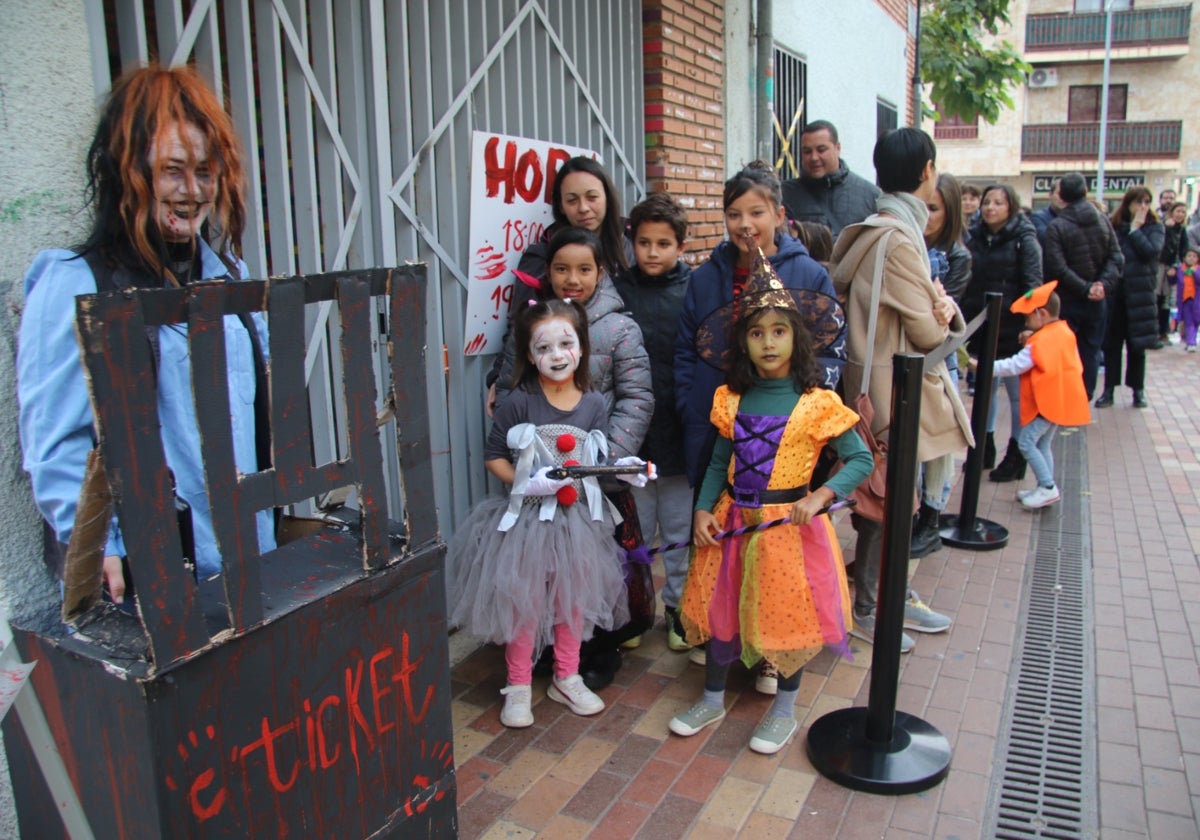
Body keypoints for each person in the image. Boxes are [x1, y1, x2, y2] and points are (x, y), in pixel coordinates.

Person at [18, 64, 273, 604]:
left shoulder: (231, 278)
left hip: (252, 554)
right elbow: (57, 444)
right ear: (127, 170)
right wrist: (96, 546)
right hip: (153, 577)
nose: (193, 191)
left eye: (205, 171)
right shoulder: (75, 285)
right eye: (172, 170)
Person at [666, 248, 872, 755]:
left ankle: (784, 707)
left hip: (789, 529)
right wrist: (700, 511)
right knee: (720, 607)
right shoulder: (731, 398)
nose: (768, 342)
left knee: (786, 614)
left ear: (797, 338)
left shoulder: (817, 402)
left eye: (779, 331)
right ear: (744, 344)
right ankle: (712, 698)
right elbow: (718, 463)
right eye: (757, 333)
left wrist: (822, 496)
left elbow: (861, 460)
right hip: (731, 520)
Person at [674, 161, 845, 693]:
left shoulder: (808, 273)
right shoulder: (705, 277)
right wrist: (690, 402)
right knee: (727, 542)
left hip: (785, 433)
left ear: (778, 214)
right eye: (733, 214)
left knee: (778, 557)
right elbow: (685, 350)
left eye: (756, 212)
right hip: (721, 422)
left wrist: (808, 405)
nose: (745, 223)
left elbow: (830, 348)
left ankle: (773, 650)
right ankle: (730, 634)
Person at [445, 298, 651, 728]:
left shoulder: (593, 402)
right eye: (543, 348)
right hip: (528, 523)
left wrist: (625, 470)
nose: (556, 356)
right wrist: (526, 483)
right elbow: (494, 456)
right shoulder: (519, 401)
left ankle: (567, 676)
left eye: (565, 344)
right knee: (526, 603)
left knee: (572, 602)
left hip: (577, 525)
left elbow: (593, 459)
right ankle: (517, 685)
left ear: (581, 347)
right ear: (528, 354)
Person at [492, 226, 653, 689]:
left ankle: (588, 659)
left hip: (596, 485)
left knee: (593, 579)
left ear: (600, 272)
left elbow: (636, 399)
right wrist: (524, 467)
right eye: (561, 268)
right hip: (538, 485)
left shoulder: (620, 327)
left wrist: (600, 466)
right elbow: (508, 390)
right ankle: (530, 669)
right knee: (535, 582)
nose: (572, 277)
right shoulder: (530, 323)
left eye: (584, 268)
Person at [830, 127, 971, 652]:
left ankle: (886, 596)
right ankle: (870, 607)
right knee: (883, 504)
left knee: (884, 502)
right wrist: (945, 309)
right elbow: (932, 337)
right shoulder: (898, 240)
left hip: (872, 388)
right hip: (892, 398)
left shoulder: (871, 229)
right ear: (928, 171)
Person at [611, 193, 694, 652]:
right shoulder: (619, 292)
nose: (653, 252)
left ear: (681, 245)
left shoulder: (695, 291)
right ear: (632, 242)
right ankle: (636, 609)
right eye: (644, 242)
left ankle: (679, 610)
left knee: (680, 534)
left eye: (664, 243)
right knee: (634, 532)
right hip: (631, 437)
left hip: (680, 436)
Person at [486, 156, 633, 413]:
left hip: (613, 389)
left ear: (607, 197)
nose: (584, 208)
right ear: (561, 206)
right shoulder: (541, 256)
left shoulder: (631, 250)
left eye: (592, 197)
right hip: (548, 392)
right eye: (572, 200)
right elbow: (519, 324)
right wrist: (498, 379)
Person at [964, 184, 1043, 482]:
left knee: (1016, 394)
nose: (990, 207)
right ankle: (984, 447)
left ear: (1011, 207)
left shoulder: (1025, 239)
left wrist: (1027, 326)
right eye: (987, 201)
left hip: (1013, 328)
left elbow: (1033, 283)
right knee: (985, 388)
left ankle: (1017, 455)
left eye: (998, 202)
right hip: (982, 325)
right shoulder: (974, 236)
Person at [912, 172, 972, 557]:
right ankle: (915, 514)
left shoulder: (957, 256)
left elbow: (947, 321)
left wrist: (941, 304)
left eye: (934, 208)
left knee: (939, 448)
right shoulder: (908, 243)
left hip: (940, 361)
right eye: (924, 206)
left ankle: (930, 521)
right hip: (907, 359)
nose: (926, 214)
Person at [991, 282, 1091, 510]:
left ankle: (1047, 487)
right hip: (1061, 400)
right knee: (1042, 444)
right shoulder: (1063, 332)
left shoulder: (1041, 341)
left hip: (1047, 402)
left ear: (1041, 314)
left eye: (1028, 318)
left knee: (1026, 443)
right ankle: (1045, 487)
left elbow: (1014, 366)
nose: (1026, 323)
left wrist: (987, 366)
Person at [1042, 172, 1123, 401]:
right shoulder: (1102, 220)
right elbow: (1116, 258)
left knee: (1065, 351)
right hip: (1096, 299)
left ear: (1061, 195)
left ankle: (1066, 397)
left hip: (1068, 299)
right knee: (1091, 350)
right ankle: (1084, 396)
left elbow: (1056, 267)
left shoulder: (1057, 226)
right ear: (1085, 192)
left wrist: (1086, 288)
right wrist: (1101, 286)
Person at [1096, 187, 1164, 409]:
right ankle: (1108, 390)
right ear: (1128, 204)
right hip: (1118, 293)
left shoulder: (1154, 227)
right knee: (1112, 344)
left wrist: (1136, 230)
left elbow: (1151, 252)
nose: (1142, 207)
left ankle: (1138, 390)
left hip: (1141, 294)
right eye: (1138, 202)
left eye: (1146, 202)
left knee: (1138, 346)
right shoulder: (1114, 227)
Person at [781, 120, 881, 238]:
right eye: (807, 151)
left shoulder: (869, 195)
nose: (814, 157)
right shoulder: (785, 194)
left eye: (821, 150)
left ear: (837, 148)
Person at [1158, 201, 1190, 346]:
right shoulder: (1165, 227)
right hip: (1160, 267)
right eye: (1178, 211)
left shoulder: (1182, 230)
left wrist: (1177, 266)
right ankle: (1156, 332)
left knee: (1167, 302)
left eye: (1183, 212)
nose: (1180, 215)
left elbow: (1184, 250)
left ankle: (1163, 332)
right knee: (1157, 298)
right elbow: (1162, 247)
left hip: (1172, 268)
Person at [1175, 244, 1200, 352]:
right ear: (1184, 258)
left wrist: (1195, 273)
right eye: (1189, 256)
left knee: (1195, 321)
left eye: (1194, 256)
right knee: (1188, 321)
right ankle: (1191, 342)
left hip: (1197, 300)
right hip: (1185, 300)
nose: (1191, 258)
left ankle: (1191, 339)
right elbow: (1174, 281)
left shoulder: (1198, 270)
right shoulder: (1181, 270)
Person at [1031, 177, 1065, 246]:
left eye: (1065, 194)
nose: (1062, 198)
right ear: (1050, 195)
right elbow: (1046, 240)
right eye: (1059, 194)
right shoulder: (1038, 218)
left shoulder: (1077, 217)